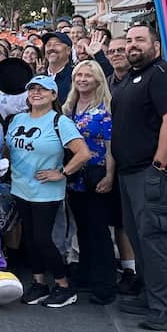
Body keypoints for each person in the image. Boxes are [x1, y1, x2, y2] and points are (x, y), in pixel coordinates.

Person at [112, 25, 167, 331]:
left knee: (156, 238)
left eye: (140, 40)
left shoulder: (164, 75)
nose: (133, 46)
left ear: (155, 46)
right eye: (129, 41)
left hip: (156, 172)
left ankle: (163, 305)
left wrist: (158, 166)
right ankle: (149, 294)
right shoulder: (132, 79)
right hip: (130, 172)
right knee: (139, 238)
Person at [7, 75, 91, 308]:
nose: (36, 93)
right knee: (30, 239)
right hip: (21, 188)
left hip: (46, 192)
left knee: (43, 239)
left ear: (53, 95)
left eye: (43, 90)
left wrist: (62, 172)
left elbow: (83, 153)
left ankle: (64, 286)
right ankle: (39, 283)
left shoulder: (59, 121)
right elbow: (8, 148)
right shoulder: (18, 119)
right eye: (32, 88)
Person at [64, 60, 118, 305]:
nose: (82, 79)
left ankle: (105, 285)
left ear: (98, 79)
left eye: (88, 75)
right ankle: (85, 274)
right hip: (76, 177)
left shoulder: (104, 108)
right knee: (82, 228)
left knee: (98, 230)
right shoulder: (70, 106)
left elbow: (110, 147)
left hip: (97, 174)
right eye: (79, 75)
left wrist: (109, 175)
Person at [43, 32, 74, 99]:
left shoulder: (75, 76)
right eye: (48, 45)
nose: (51, 48)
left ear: (68, 50)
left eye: (57, 44)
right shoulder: (38, 78)